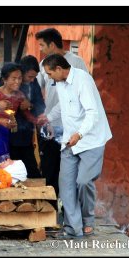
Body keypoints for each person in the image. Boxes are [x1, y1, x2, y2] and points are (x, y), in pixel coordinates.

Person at [41, 54, 112, 239]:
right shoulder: (61, 83)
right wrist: (46, 118)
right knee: (66, 186)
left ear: (58, 69)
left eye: (49, 74)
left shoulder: (83, 80)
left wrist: (79, 134)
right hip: (68, 141)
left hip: (91, 140)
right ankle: (73, 229)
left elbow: (92, 113)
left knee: (83, 182)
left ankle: (88, 221)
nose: (49, 78)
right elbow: (62, 107)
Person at [35, 27, 89, 199]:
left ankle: (70, 214)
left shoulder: (77, 62)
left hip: (72, 130)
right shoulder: (43, 65)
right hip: (50, 129)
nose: (41, 49)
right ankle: (50, 214)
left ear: (52, 44)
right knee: (49, 172)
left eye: (42, 45)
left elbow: (82, 94)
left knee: (71, 175)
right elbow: (36, 91)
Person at [9, 55, 45, 178]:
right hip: (8, 137)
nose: (31, 80)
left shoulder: (33, 83)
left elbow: (40, 104)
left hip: (26, 136)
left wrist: (30, 105)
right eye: (30, 76)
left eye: (34, 77)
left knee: (33, 173)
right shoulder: (9, 80)